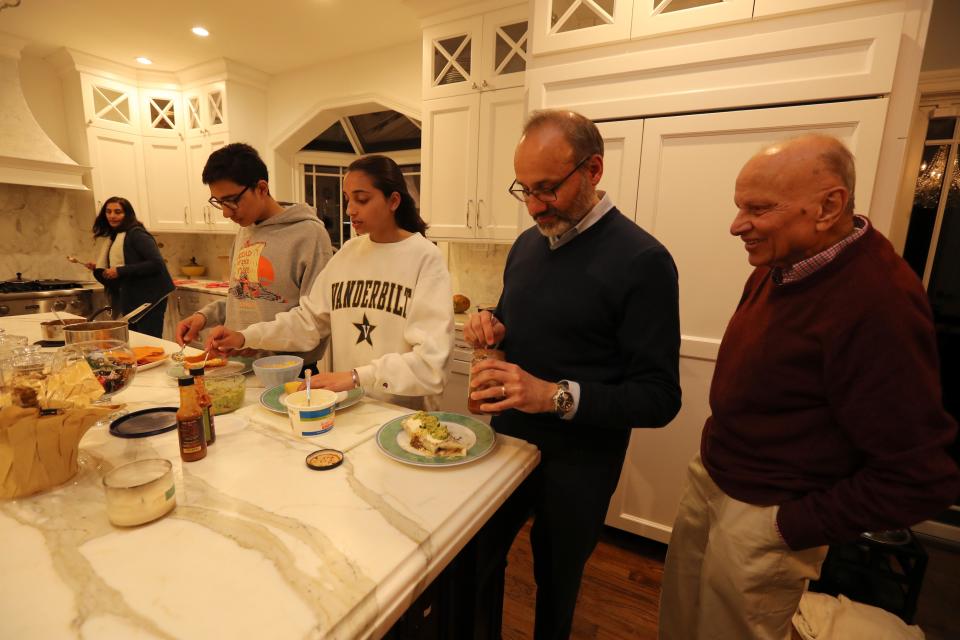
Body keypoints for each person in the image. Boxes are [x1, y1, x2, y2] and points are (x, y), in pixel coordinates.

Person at [658, 135, 960, 640]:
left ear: (829, 206)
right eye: (740, 207)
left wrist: (789, 525)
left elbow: (920, 476)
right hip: (715, 478)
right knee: (681, 620)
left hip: (767, 512)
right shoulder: (781, 264)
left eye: (757, 209)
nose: (736, 226)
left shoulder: (878, 304)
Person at [464, 109, 681, 639]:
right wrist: (491, 325)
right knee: (479, 562)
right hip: (508, 446)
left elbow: (658, 398)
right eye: (525, 190)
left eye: (548, 189)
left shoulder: (644, 260)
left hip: (582, 463)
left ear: (594, 170)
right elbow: (527, 321)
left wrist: (553, 396)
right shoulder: (526, 246)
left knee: (556, 582)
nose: (535, 206)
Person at [204, 154, 453, 409]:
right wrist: (245, 337)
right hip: (349, 407)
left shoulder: (425, 258)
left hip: (400, 417)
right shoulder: (347, 253)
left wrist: (356, 377)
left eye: (362, 199)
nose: (349, 210)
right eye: (347, 199)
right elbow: (307, 322)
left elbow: (431, 365)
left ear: (394, 201)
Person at [174, 143, 333, 369]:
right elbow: (243, 297)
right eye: (219, 202)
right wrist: (204, 316)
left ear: (261, 188)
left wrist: (254, 338)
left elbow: (315, 320)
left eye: (232, 200)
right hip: (238, 364)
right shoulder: (245, 230)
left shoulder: (309, 235)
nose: (227, 213)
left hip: (288, 371)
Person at [83, 197, 174, 338]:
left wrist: (119, 271)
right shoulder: (115, 236)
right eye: (108, 211)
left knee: (149, 340)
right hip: (133, 296)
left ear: (127, 214)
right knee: (135, 339)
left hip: (149, 297)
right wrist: (101, 268)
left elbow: (157, 263)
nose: (112, 216)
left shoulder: (137, 234)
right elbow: (127, 260)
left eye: (117, 212)